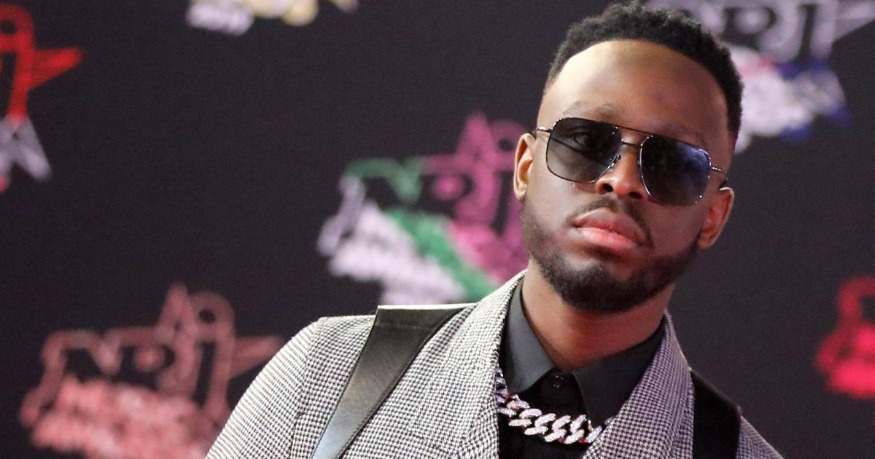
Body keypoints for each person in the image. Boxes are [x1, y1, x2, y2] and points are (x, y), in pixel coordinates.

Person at [209, 2, 782, 457]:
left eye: (672, 162)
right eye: (587, 140)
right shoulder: (327, 374)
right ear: (526, 167)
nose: (622, 180)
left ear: (713, 216)